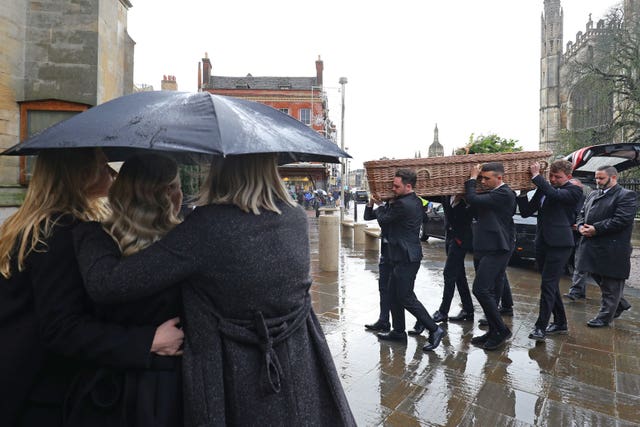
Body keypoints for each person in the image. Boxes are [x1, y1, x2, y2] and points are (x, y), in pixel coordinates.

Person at [72, 153, 356, 426]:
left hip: (234, 376)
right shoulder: (294, 217)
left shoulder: (207, 227)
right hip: (299, 364)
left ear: (223, 170)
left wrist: (89, 231)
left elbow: (109, 284)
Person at [0, 148, 183, 426]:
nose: (111, 173)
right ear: (80, 175)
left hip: (18, 374)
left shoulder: (28, 225)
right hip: (40, 391)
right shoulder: (58, 233)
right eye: (102, 166)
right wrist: (146, 341)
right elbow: (62, 327)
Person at [64, 153, 185, 426]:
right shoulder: (186, 243)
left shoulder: (92, 237)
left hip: (107, 387)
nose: (182, 194)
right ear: (167, 193)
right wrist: (146, 340)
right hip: (151, 390)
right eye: (177, 186)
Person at [370, 169, 445, 352]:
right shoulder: (416, 201)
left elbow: (384, 220)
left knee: (405, 296)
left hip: (407, 258)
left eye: (396, 186)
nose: (393, 189)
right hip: (402, 255)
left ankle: (435, 330)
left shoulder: (403, 204)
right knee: (394, 294)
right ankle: (398, 332)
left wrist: (379, 205)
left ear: (408, 186)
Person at [516, 160, 583, 341]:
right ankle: (560, 322)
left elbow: (555, 195)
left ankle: (540, 327)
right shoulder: (545, 189)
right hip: (543, 243)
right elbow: (526, 212)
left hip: (560, 245)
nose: (553, 179)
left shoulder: (574, 190)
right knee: (550, 285)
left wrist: (537, 177)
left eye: (558, 177)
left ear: (568, 177)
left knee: (547, 284)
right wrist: (522, 194)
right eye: (551, 176)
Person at [575, 165, 636, 327]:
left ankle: (604, 317)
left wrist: (596, 228)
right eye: (596, 178)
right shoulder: (594, 194)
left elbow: (622, 220)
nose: (597, 181)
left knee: (611, 284)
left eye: (601, 178)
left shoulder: (626, 195)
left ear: (613, 177)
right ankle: (620, 303)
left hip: (612, 249)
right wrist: (581, 226)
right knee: (599, 279)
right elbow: (582, 214)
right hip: (591, 246)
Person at [465, 162, 516, 350]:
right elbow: (472, 206)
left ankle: (501, 330)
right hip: (487, 246)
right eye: (481, 178)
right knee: (491, 290)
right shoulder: (492, 194)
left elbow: (472, 198)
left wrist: (471, 178)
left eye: (487, 178)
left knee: (480, 289)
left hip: (498, 247)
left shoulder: (504, 193)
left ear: (499, 178)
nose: (483, 182)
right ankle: (494, 330)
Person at [431, 195, 475, 323]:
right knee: (459, 275)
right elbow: (430, 195)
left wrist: (458, 202)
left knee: (449, 273)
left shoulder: (467, 199)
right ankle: (468, 309)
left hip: (460, 240)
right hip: (449, 238)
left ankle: (443, 311)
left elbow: (466, 219)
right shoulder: (445, 195)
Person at [564, 177, 590, 300]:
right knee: (576, 264)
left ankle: (576, 291)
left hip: (581, 235)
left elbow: (585, 215)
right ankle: (579, 291)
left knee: (579, 264)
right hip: (570, 234)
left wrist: (579, 225)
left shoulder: (586, 200)